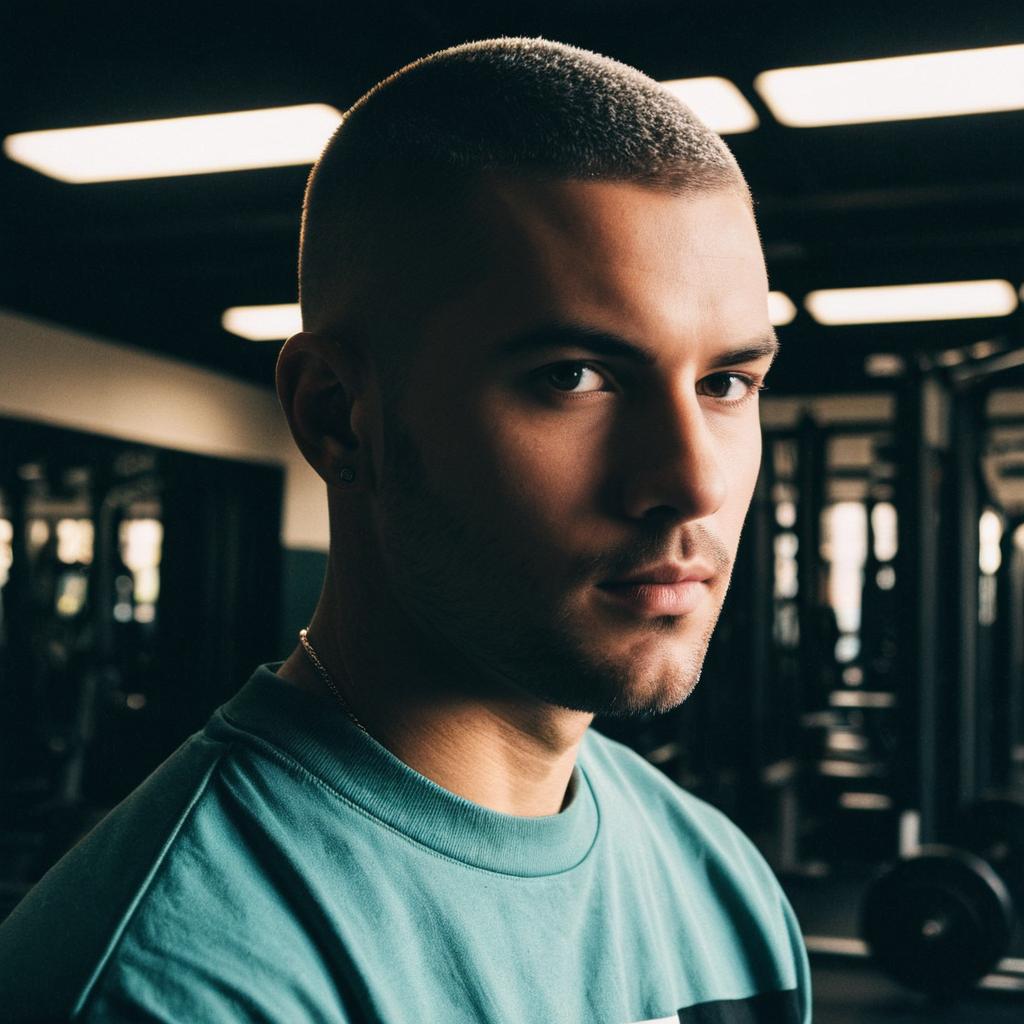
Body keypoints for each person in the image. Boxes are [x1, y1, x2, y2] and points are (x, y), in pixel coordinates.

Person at [0, 37, 811, 1023]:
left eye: (725, 383)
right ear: (340, 414)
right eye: (573, 376)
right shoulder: (173, 982)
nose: (692, 479)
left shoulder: (726, 901)